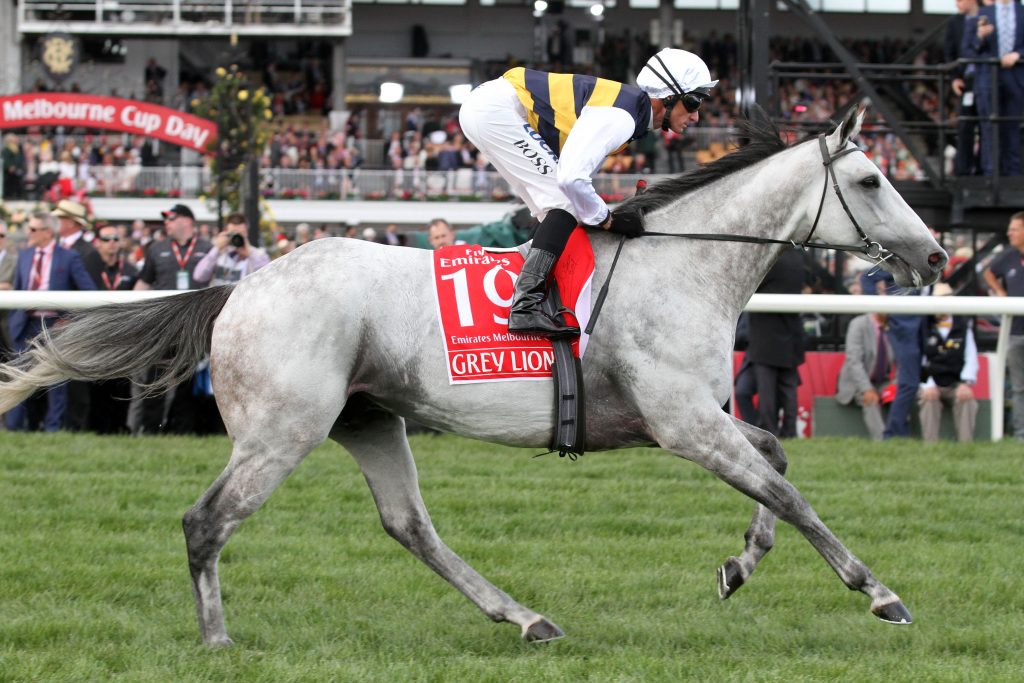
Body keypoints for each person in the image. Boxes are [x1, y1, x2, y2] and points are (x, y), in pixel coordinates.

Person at [460, 48, 716, 337]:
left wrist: (599, 215)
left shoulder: (630, 112)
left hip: (491, 108)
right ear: (667, 98)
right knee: (565, 203)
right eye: (694, 102)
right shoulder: (621, 117)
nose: (696, 116)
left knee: (555, 210)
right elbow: (572, 178)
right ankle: (525, 306)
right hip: (495, 110)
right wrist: (608, 220)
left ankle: (537, 294)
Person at [5, 212, 95, 432]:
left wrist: (68, 319)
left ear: (48, 232)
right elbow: (18, 288)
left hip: (55, 326)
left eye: (33, 229)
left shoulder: (68, 257)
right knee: (19, 377)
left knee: (55, 381)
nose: (28, 233)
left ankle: (53, 429)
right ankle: (14, 428)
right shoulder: (25, 255)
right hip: (25, 324)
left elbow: (89, 292)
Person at [131, 204, 212, 435]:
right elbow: (143, 283)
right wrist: (132, 312)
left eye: (171, 218)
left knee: (189, 380)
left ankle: (183, 431)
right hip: (163, 324)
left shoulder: (207, 249)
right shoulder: (157, 249)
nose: (166, 222)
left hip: (195, 324)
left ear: (187, 220)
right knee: (155, 378)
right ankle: (151, 430)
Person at [734, 249, 808, 438]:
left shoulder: (768, 256)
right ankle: (790, 432)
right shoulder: (798, 257)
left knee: (767, 394)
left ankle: (768, 433)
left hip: (764, 338)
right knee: (789, 392)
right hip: (790, 336)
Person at [83, 223, 139, 433]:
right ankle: (97, 428)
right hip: (96, 333)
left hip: (124, 335)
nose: (112, 243)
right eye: (107, 239)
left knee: (122, 383)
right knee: (97, 383)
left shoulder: (130, 270)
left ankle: (119, 427)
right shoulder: (87, 267)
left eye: (116, 239)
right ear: (98, 243)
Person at [963, 0, 1024, 176]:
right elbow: (968, 50)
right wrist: (979, 36)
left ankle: (1012, 173)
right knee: (988, 127)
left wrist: (1018, 54)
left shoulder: (1022, 12)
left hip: (1016, 77)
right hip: (987, 78)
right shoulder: (983, 13)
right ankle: (990, 173)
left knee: (1013, 126)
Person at [918, 283, 979, 442]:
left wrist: (965, 383)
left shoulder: (963, 326)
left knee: (967, 399)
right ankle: (930, 447)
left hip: (955, 383)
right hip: (932, 381)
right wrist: (928, 384)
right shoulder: (924, 326)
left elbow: (971, 357)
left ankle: (966, 446)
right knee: (928, 398)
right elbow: (920, 359)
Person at [983, 211, 1024, 440]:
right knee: (1019, 387)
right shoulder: (1009, 256)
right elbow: (988, 272)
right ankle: (1020, 435)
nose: (1009, 233)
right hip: (1015, 332)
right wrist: (1000, 291)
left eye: (1015, 229)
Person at [836, 312, 895, 441]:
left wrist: (895, 385)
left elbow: (902, 359)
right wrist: (866, 388)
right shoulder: (858, 324)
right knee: (870, 399)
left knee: (901, 395)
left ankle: (902, 438)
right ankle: (882, 441)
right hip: (856, 382)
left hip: (883, 380)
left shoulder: (895, 325)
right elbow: (854, 361)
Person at [946, 0, 982, 176]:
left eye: (960, 0)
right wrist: (954, 78)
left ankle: (983, 169)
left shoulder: (988, 15)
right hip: (966, 82)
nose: (957, 4)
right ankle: (963, 170)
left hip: (986, 80)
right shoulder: (954, 22)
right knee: (965, 125)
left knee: (988, 126)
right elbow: (950, 53)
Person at [193, 213, 270, 287]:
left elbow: (267, 278)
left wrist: (250, 254)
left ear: (246, 232)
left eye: (240, 234)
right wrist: (216, 249)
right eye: (233, 234)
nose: (236, 238)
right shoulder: (218, 252)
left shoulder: (257, 254)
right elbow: (199, 276)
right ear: (225, 232)